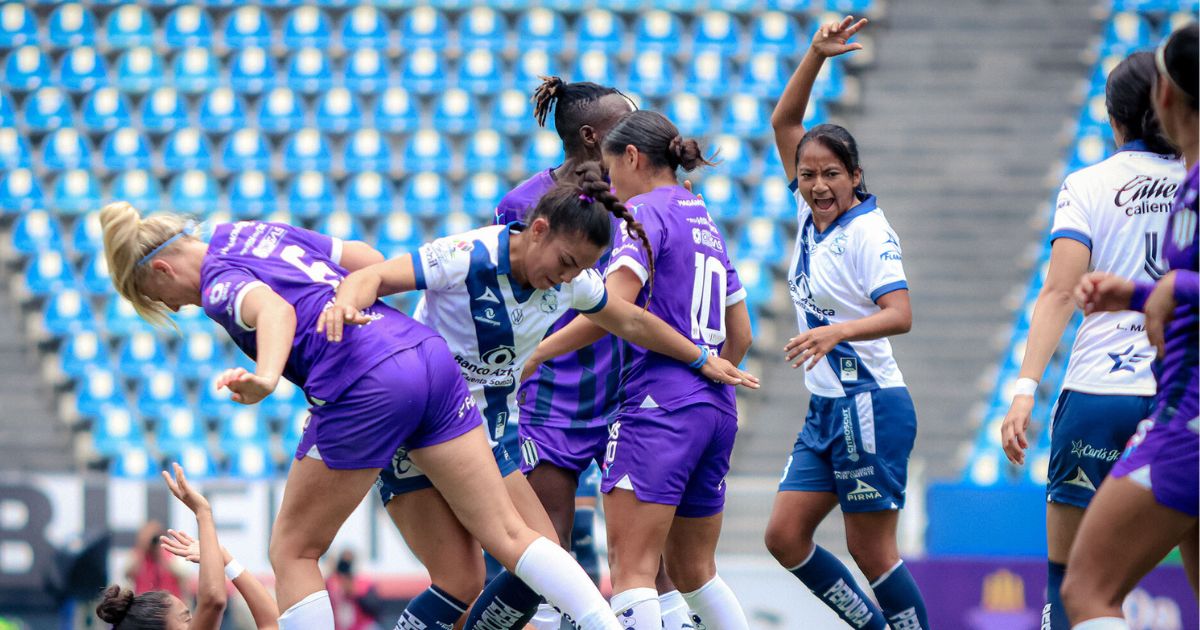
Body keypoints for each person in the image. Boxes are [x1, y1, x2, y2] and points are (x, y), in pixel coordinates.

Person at [98, 203, 628, 630]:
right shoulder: (246, 233)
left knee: (293, 549)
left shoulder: (217, 281)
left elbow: (275, 312)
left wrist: (265, 376)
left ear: (162, 270)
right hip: (426, 355)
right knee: (506, 537)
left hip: (364, 384)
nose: (175, 307)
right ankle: (602, 623)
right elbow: (361, 255)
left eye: (157, 297)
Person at [320, 163, 758, 630]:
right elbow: (375, 277)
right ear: (539, 230)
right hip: (421, 421)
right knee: (503, 563)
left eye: (582, 270)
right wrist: (347, 304)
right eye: (567, 263)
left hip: (486, 429)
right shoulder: (465, 255)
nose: (569, 279)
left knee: (495, 578)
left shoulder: (571, 283)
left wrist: (699, 359)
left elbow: (629, 320)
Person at [521, 110, 753, 629]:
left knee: (632, 572)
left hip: (658, 405)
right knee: (696, 573)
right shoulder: (704, 218)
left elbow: (617, 311)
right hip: (715, 409)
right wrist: (705, 377)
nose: (611, 186)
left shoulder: (643, 213)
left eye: (611, 171)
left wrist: (537, 353)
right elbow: (742, 335)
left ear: (631, 157)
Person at [997, 50, 1183, 629]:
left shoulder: (1088, 184)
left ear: (1115, 117)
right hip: (1181, 392)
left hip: (1101, 393)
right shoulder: (1196, 180)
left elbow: (1058, 293)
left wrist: (1025, 389)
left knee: (1071, 576)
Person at [761, 16, 930, 630]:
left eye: (832, 173)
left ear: (855, 176)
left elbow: (900, 315)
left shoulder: (868, 233)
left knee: (871, 550)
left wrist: (835, 331)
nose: (817, 184)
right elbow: (784, 123)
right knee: (783, 536)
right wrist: (815, 55)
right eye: (807, 175)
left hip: (871, 404)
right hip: (826, 408)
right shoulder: (811, 218)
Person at [1063, 23, 1199, 630]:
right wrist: (1142, 291)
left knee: (1086, 591)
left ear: (1164, 98)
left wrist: (1171, 288)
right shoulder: (1187, 184)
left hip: (1186, 420)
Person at [96, 464, 279, 629]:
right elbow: (213, 599)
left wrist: (224, 558)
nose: (198, 622)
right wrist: (203, 513)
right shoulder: (138, 557)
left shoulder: (167, 559)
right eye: (186, 619)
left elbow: (273, 624)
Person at [125, 520, 185, 598]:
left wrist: (161, 555)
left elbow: (183, 575)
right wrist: (142, 551)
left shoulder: (171, 552)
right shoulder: (138, 554)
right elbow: (128, 575)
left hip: (169, 602)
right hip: (145, 604)